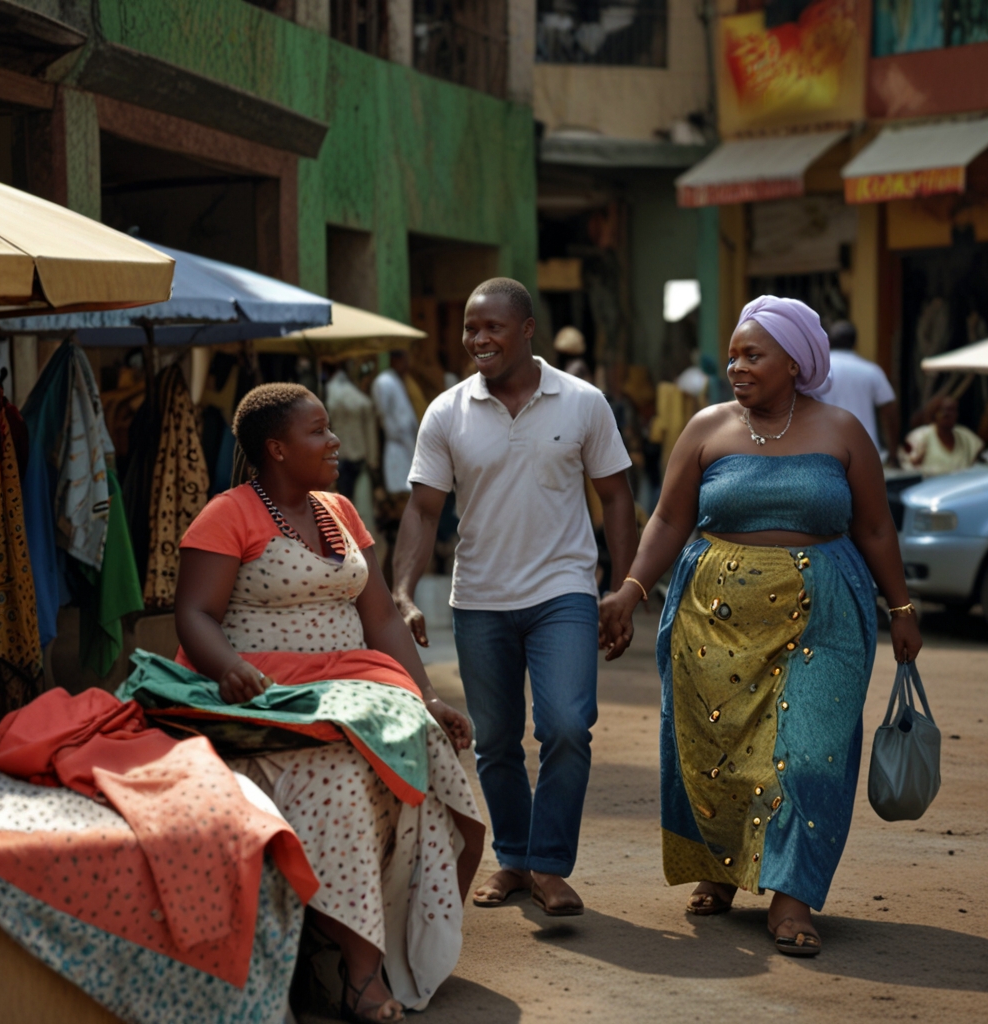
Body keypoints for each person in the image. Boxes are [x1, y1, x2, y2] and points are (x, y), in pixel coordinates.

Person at [599, 295, 922, 957]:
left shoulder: (841, 431)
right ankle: (719, 873)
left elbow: (875, 527)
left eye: (754, 355)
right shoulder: (707, 429)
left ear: (795, 363)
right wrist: (630, 590)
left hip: (824, 614)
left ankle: (793, 895)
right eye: (734, 354)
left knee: (810, 754)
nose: (736, 366)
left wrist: (902, 607)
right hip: (713, 621)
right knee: (714, 755)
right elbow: (667, 521)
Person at [174, 383, 483, 1023]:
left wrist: (426, 696)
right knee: (342, 785)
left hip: (356, 687)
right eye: (319, 431)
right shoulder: (226, 514)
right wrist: (229, 669)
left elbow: (383, 622)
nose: (336, 440)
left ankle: (390, 948)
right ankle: (360, 975)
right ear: (277, 449)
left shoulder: (340, 510)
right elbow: (194, 614)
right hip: (268, 700)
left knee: (433, 764)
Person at [392, 278, 639, 917]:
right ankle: (515, 858)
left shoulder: (582, 402)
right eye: (470, 328)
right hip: (478, 597)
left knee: (564, 727)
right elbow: (423, 509)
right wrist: (403, 589)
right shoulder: (446, 410)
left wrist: (622, 587)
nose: (478, 339)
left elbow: (616, 496)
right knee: (495, 741)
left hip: (564, 592)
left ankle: (551, 866)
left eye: (492, 328)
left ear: (527, 329)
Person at [821, 320, 900, 465]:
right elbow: (890, 410)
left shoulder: (819, 370)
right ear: (855, 343)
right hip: (865, 452)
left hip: (824, 449)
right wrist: (893, 453)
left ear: (828, 341)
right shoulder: (871, 370)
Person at [371, 351, 419, 583]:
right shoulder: (384, 382)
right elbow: (385, 421)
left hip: (407, 454)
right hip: (395, 457)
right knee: (396, 530)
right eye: (404, 359)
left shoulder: (400, 382)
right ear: (394, 360)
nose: (407, 363)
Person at [324, 362, 379, 499]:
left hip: (338, 456)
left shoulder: (329, 393)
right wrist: (373, 460)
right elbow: (370, 433)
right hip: (359, 456)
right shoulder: (359, 397)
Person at [900, 395, 984, 476]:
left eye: (952, 410)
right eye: (943, 410)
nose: (947, 414)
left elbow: (980, 453)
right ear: (934, 413)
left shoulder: (965, 436)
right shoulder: (919, 436)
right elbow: (907, 464)